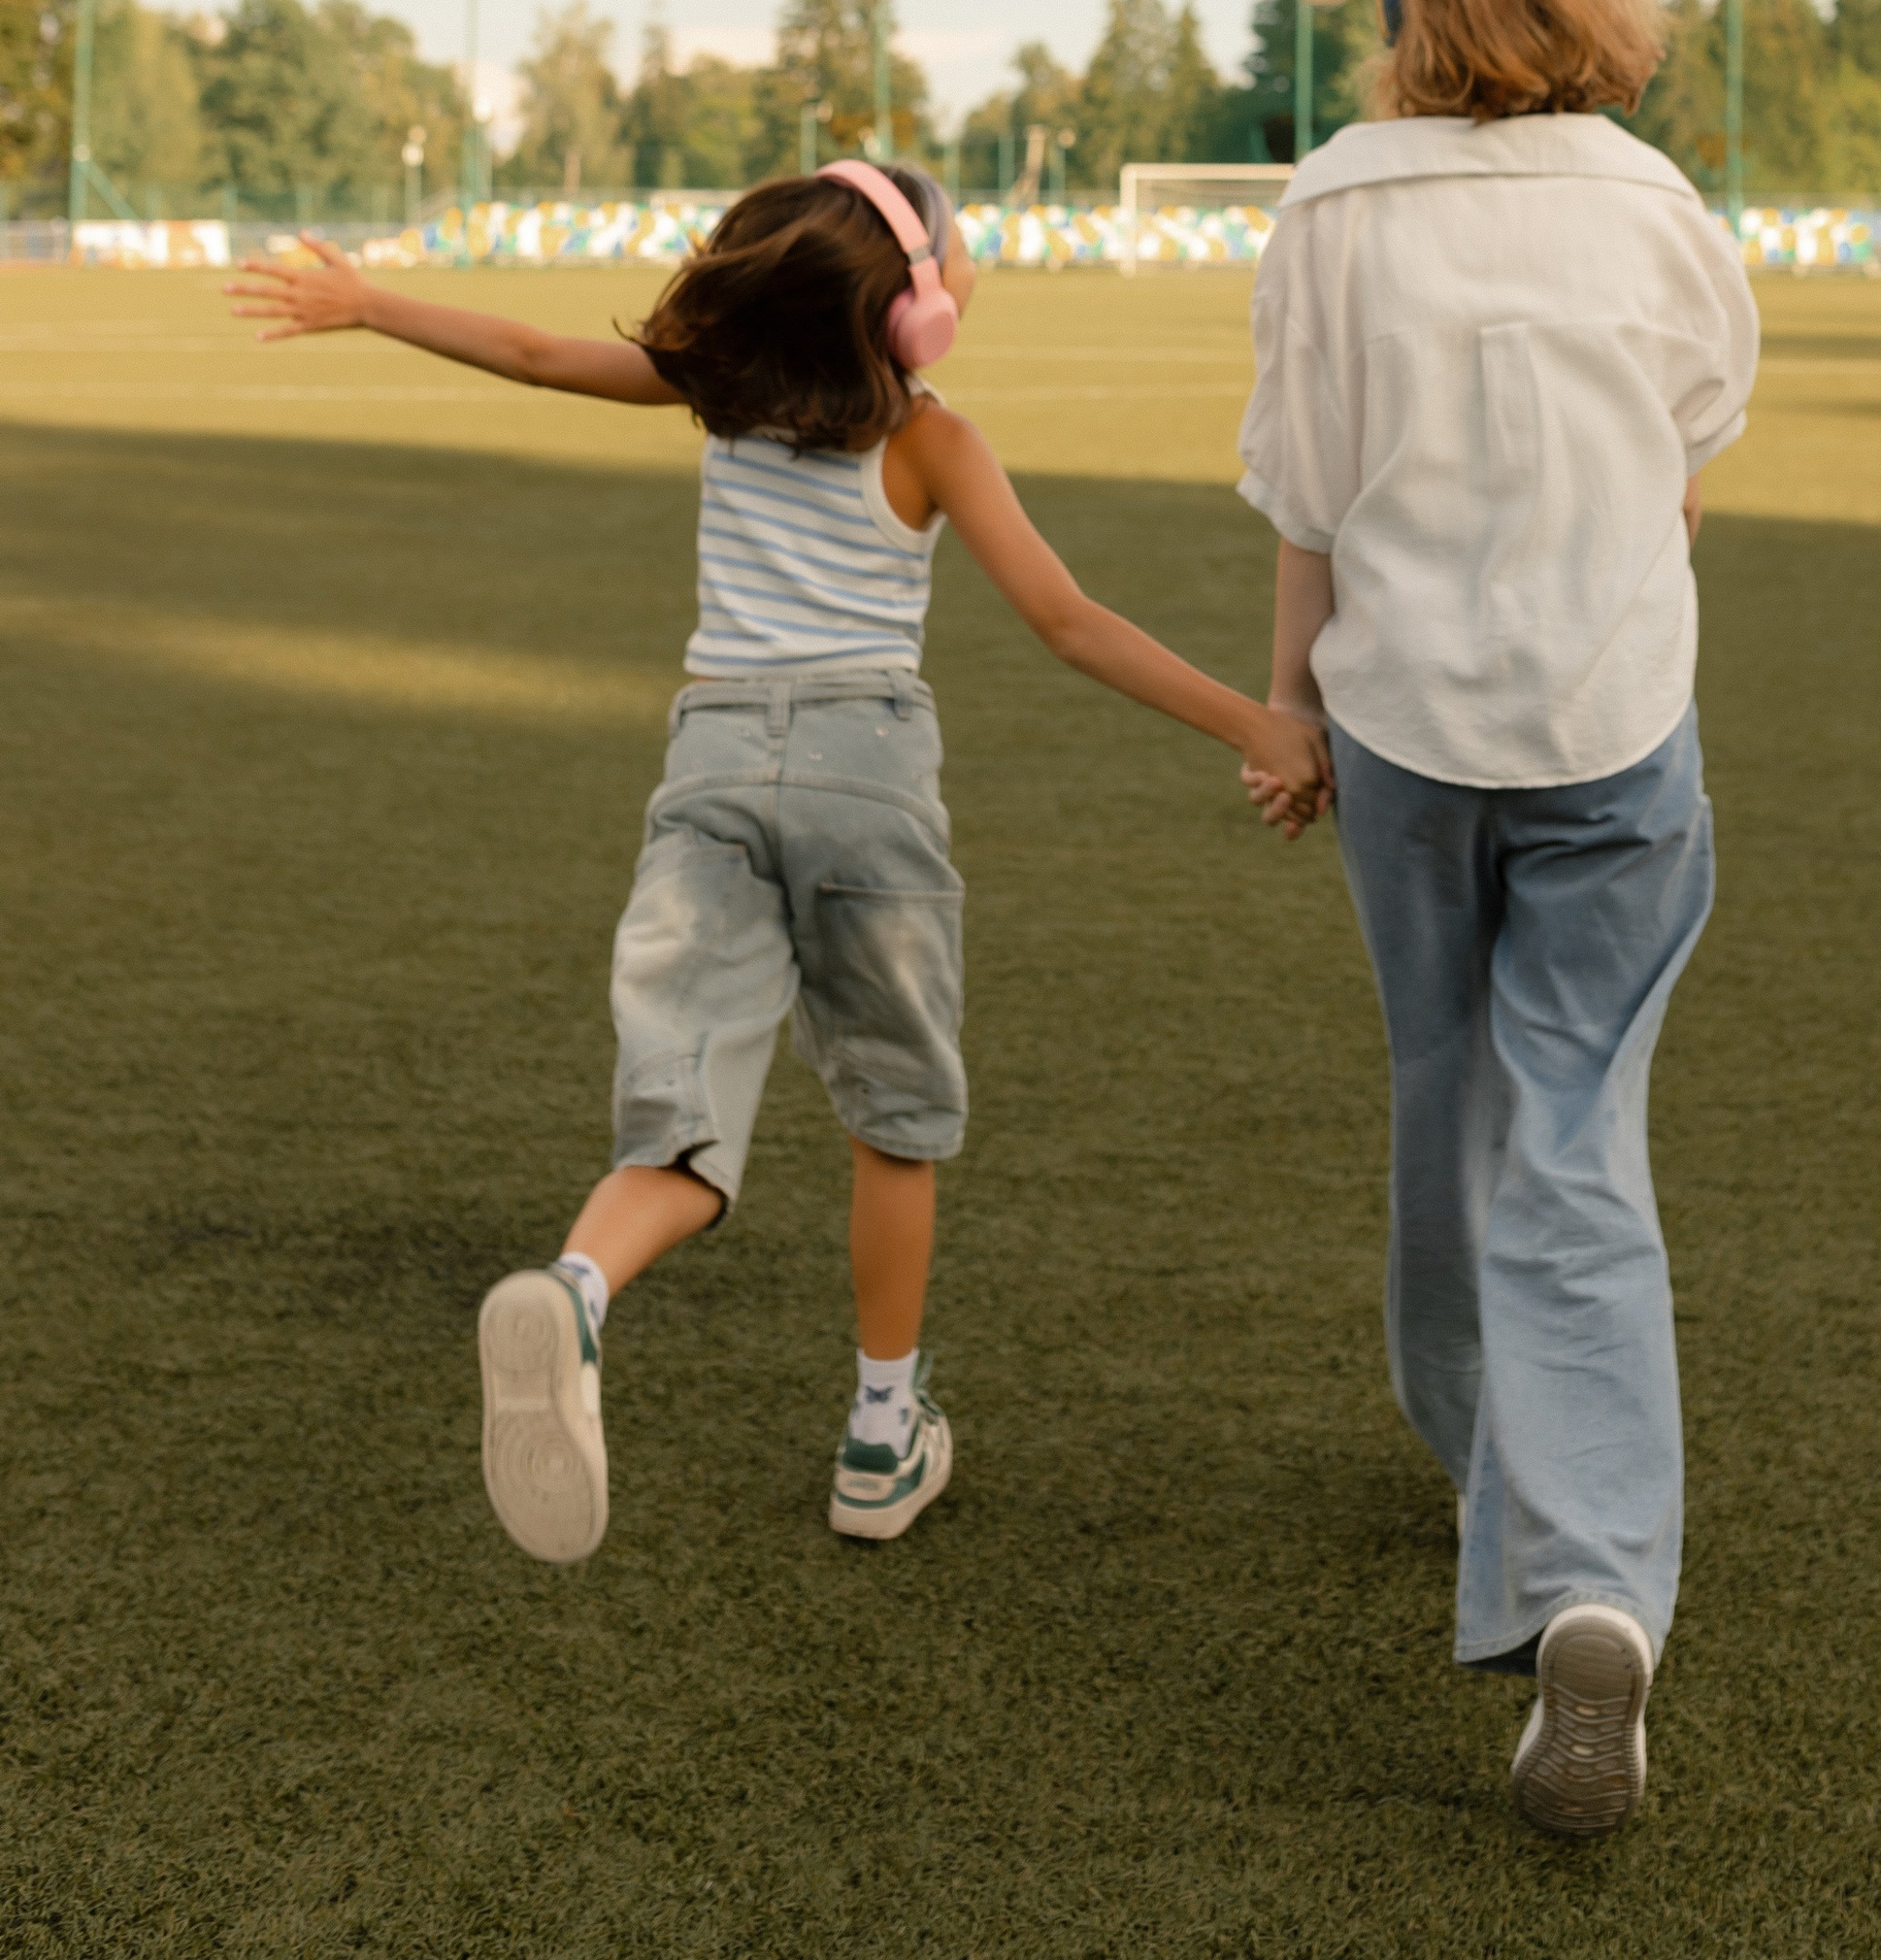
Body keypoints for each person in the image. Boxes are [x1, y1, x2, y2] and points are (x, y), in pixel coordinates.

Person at [229, 161, 1326, 1567]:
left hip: (713, 772)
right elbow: (1068, 621)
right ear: (917, 306)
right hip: (868, 781)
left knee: (682, 1119)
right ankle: (881, 1437)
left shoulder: (717, 394)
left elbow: (530, 355)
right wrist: (1261, 725)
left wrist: (366, 300)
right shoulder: (935, 443)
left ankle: (574, 1290)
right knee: (893, 1120)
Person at [1235, 0, 1758, 1839]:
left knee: (1443, 1089)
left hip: (1405, 730)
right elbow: (1690, 454)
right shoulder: (1649, 203)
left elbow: (1303, 491)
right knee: (1576, 1128)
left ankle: (1487, 1464)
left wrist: (1288, 711)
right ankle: (1592, 1576)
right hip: (1613, 730)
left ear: (1397, 6)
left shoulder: (1331, 209)